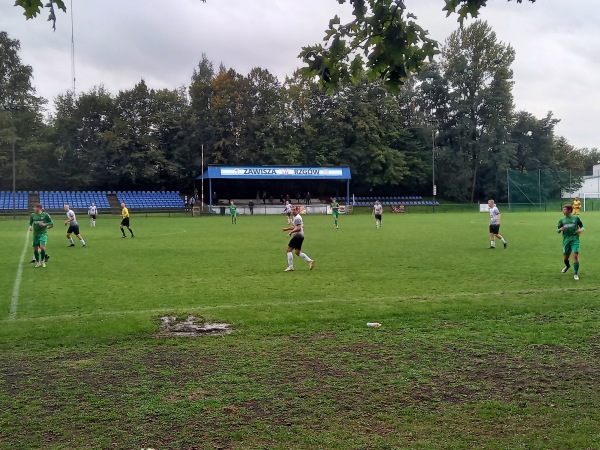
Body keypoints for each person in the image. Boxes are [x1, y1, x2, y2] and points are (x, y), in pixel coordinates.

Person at [282, 206, 315, 272]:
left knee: (289, 250)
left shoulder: (297, 218)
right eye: (292, 210)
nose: (292, 211)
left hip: (298, 236)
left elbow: (299, 228)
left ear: (297, 210)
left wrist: (291, 231)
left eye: (294, 210)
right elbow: (295, 226)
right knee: (297, 252)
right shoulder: (295, 217)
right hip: (300, 236)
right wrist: (287, 229)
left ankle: (290, 267)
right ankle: (310, 261)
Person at [558, 204, 584, 280]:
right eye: (563, 209)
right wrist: (560, 229)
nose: (563, 211)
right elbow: (558, 229)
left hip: (575, 240)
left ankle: (576, 274)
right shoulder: (562, 220)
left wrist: (580, 230)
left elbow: (582, 226)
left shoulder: (576, 218)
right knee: (565, 259)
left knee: (575, 256)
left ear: (569, 210)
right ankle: (567, 266)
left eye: (565, 209)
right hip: (566, 241)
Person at [29, 203, 53, 268]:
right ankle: (37, 262)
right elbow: (30, 222)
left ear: (39, 208)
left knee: (42, 247)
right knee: (35, 249)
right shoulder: (33, 215)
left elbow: (51, 223)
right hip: (35, 234)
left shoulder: (45, 215)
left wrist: (45, 224)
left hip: (43, 233)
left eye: (35, 207)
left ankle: (42, 261)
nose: (34, 208)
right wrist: (30, 226)